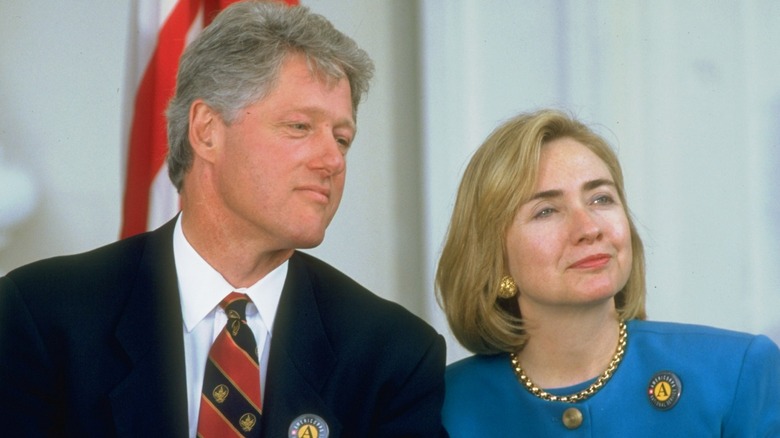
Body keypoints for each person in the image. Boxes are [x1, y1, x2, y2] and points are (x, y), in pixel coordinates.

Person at [0, 2, 448, 436]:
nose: (333, 159)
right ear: (207, 131)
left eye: (343, 138)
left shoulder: (392, 356)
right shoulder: (44, 317)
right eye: (299, 127)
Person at [436, 109, 780, 436]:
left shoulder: (737, 372)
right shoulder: (443, 405)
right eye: (546, 211)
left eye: (601, 199)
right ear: (494, 258)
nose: (589, 227)